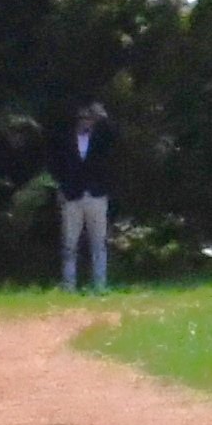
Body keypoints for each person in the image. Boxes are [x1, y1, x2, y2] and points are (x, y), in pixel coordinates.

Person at [56, 101, 116, 293]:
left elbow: (116, 138)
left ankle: (100, 285)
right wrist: (62, 189)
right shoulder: (66, 140)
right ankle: (68, 286)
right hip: (72, 196)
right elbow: (57, 166)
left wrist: (104, 116)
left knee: (98, 242)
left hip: (96, 195)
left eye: (89, 118)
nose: (86, 122)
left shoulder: (101, 138)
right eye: (82, 118)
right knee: (69, 243)